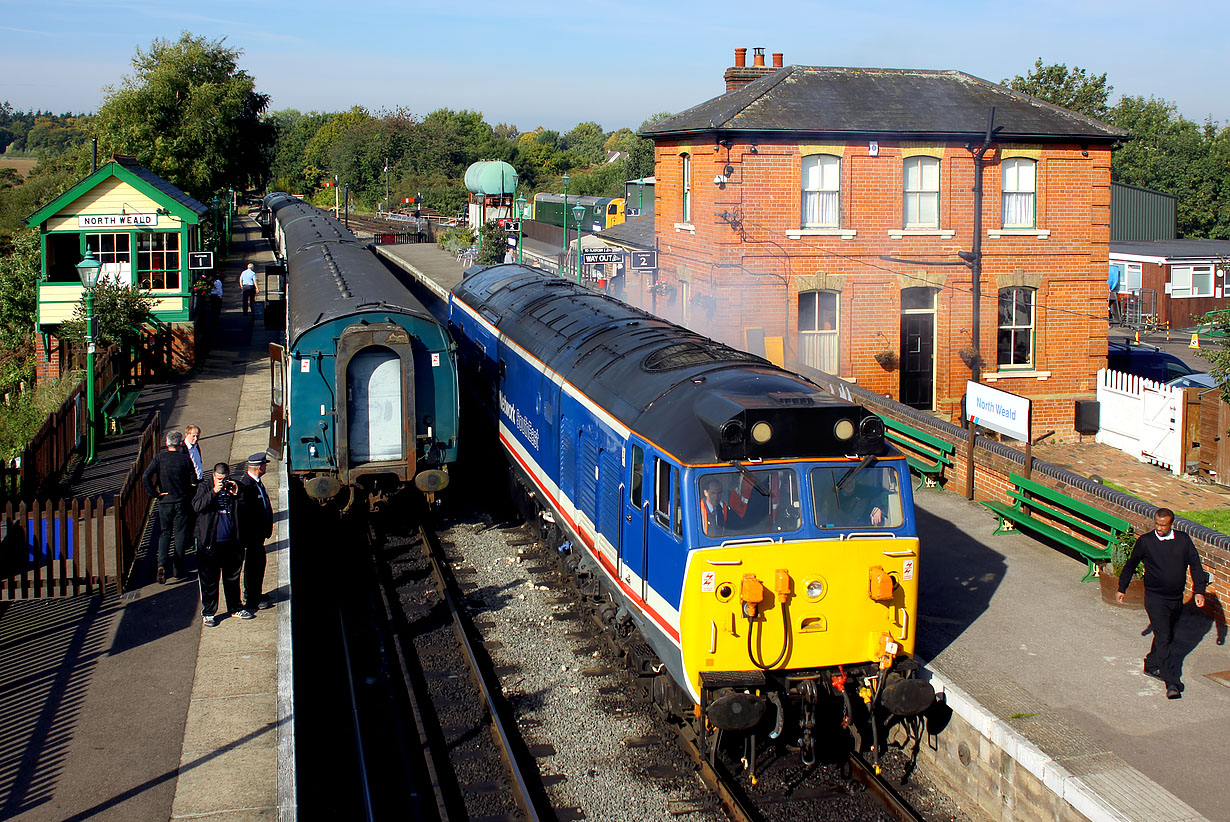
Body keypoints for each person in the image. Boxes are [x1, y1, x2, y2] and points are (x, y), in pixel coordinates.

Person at [1118, 508, 1207, 699]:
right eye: (1156, 524)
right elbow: (1131, 564)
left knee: (1166, 634)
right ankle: (1171, 681)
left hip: (1175, 599)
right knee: (1165, 637)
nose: (1158, 528)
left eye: (1162, 525)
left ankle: (1151, 664)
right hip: (1155, 598)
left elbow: (1196, 565)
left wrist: (1199, 591)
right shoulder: (1146, 542)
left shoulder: (1183, 540)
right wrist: (1122, 588)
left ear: (1171, 524)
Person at [193, 463, 246, 625]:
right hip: (210, 543)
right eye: (219, 479)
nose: (222, 481)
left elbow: (244, 507)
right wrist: (214, 491)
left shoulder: (235, 486)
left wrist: (237, 494)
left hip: (231, 542)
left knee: (232, 577)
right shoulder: (204, 487)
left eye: (224, 478)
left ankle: (235, 607)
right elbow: (197, 506)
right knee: (209, 579)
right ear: (214, 476)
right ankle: (209, 612)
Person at [141, 430, 197, 583]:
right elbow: (194, 479)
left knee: (165, 532)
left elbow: (146, 477)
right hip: (181, 501)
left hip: (165, 501)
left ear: (166, 443)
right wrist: (189, 489)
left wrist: (156, 493)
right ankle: (178, 570)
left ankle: (161, 563)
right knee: (180, 534)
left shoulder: (159, 458)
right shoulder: (184, 459)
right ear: (180, 444)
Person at [237, 452, 274, 613]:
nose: (266, 466)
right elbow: (244, 514)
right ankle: (252, 598)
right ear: (259, 467)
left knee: (258, 565)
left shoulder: (256, 483)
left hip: (259, 536)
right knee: (254, 567)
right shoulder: (247, 486)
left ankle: (255, 593)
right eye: (264, 464)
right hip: (253, 537)